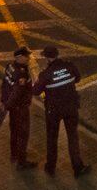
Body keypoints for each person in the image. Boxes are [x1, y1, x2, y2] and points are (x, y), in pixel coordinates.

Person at [33, 46, 89, 177]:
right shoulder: (69, 66)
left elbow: (35, 91)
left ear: (46, 58)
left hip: (54, 111)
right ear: (57, 54)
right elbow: (78, 78)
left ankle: (50, 167)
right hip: (71, 107)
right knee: (73, 138)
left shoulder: (45, 74)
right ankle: (78, 167)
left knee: (52, 139)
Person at [0, 46, 37, 169]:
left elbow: (5, 85)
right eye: (26, 56)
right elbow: (17, 92)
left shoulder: (10, 67)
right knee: (23, 134)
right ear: (19, 57)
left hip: (12, 107)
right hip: (20, 108)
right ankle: (22, 161)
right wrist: (7, 105)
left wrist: (4, 102)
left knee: (14, 131)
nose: (29, 58)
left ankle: (14, 154)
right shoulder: (21, 74)